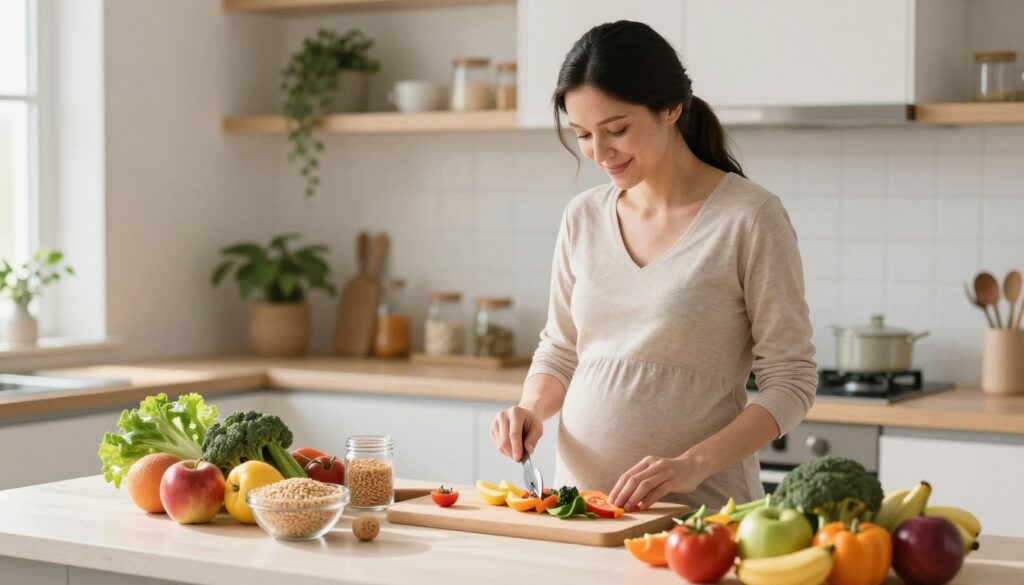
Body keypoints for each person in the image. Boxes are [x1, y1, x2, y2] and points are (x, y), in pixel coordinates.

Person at [489, 21, 817, 512]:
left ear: (670, 107)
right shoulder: (583, 216)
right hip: (579, 509)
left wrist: (692, 465)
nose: (600, 153)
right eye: (583, 134)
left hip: (700, 515)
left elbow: (791, 381)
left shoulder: (749, 218)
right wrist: (531, 409)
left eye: (616, 129)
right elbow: (560, 349)